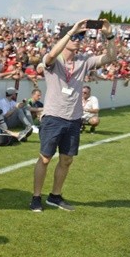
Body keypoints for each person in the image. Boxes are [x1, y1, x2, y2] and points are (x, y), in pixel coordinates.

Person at [30, 19, 116, 212]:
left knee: (66, 160)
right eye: (76, 36)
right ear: (65, 38)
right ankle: (36, 197)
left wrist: (109, 35)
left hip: (74, 118)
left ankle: (55, 195)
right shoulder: (54, 60)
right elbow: (51, 55)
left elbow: (110, 57)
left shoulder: (83, 61)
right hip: (53, 116)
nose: (78, 40)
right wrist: (71, 31)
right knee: (45, 158)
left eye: (81, 37)